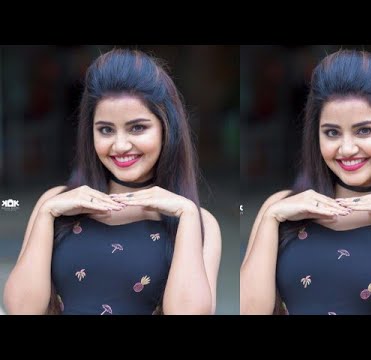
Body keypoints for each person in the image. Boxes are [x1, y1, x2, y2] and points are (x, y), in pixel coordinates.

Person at [3, 49, 221, 315]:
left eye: (137, 127)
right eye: (106, 129)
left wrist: (186, 214)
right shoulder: (57, 203)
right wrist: (47, 213)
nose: (120, 145)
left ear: (167, 128)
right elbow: (21, 309)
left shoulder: (200, 223)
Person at [240, 49, 371, 315]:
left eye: (364, 130)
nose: (347, 148)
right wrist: (271, 218)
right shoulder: (281, 207)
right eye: (332, 132)